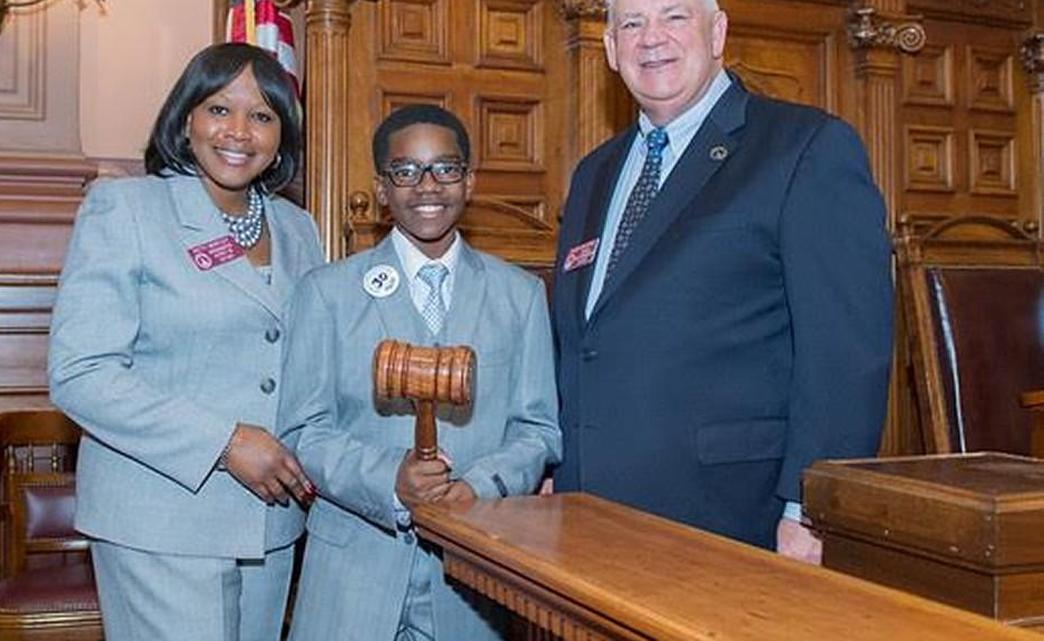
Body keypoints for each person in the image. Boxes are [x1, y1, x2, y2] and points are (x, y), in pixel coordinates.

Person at [551, 0, 893, 562]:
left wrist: (811, 509)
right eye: (632, 24)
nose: (651, 38)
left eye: (675, 17)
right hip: (588, 521)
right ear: (610, 49)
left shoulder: (804, 148)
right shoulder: (594, 173)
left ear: (718, 32)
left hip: (733, 521)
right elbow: (582, 342)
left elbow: (845, 355)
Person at [48, 43, 322, 641]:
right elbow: (81, 372)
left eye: (263, 116)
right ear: (186, 119)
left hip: (271, 524)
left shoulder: (299, 229)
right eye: (220, 109)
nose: (240, 132)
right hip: (160, 519)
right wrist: (224, 442)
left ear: (283, 136)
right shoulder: (126, 208)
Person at [279, 104, 562, 641]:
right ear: (383, 190)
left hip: (472, 581)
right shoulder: (327, 293)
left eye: (445, 169)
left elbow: (538, 430)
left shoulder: (519, 296)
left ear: (469, 181)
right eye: (406, 171)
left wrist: (477, 488)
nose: (427, 186)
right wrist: (390, 479)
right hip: (352, 575)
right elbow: (303, 429)